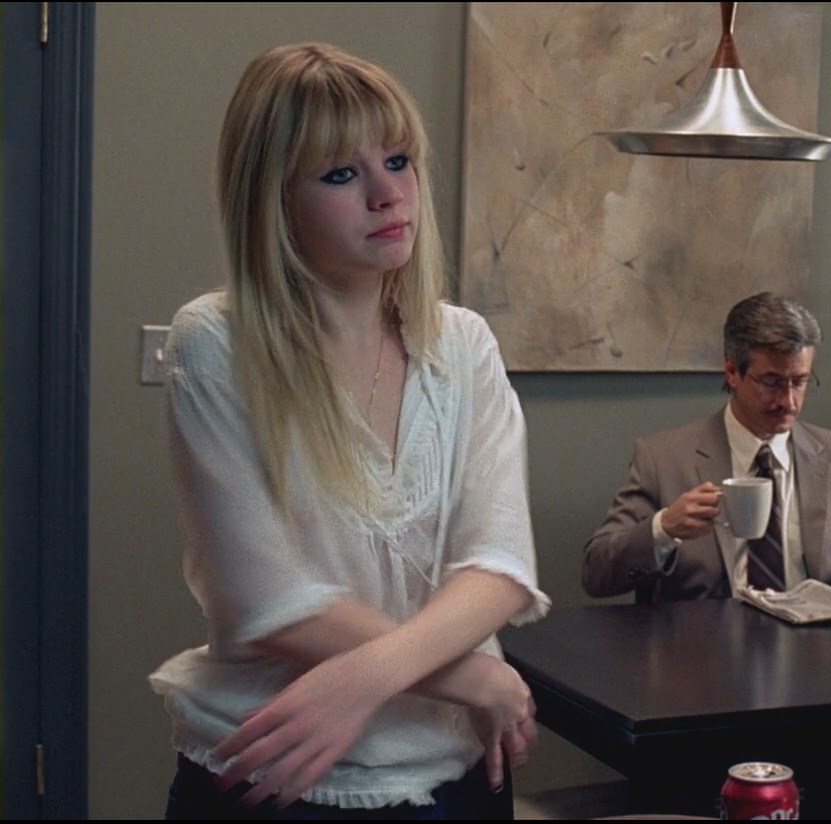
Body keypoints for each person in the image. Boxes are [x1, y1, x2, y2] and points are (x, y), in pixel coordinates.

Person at [150, 43, 548, 819]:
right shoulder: (215, 344)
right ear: (274, 200)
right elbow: (268, 598)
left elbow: (498, 566)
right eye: (340, 174)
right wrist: (475, 676)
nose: (387, 194)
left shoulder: (463, 345)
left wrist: (367, 675)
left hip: (461, 765)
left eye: (398, 161)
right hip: (279, 769)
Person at [582, 292, 831, 601]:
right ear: (732, 371)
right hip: (699, 655)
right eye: (772, 382)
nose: (789, 401)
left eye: (800, 381)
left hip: (817, 652)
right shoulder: (663, 459)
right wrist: (664, 528)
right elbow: (597, 573)